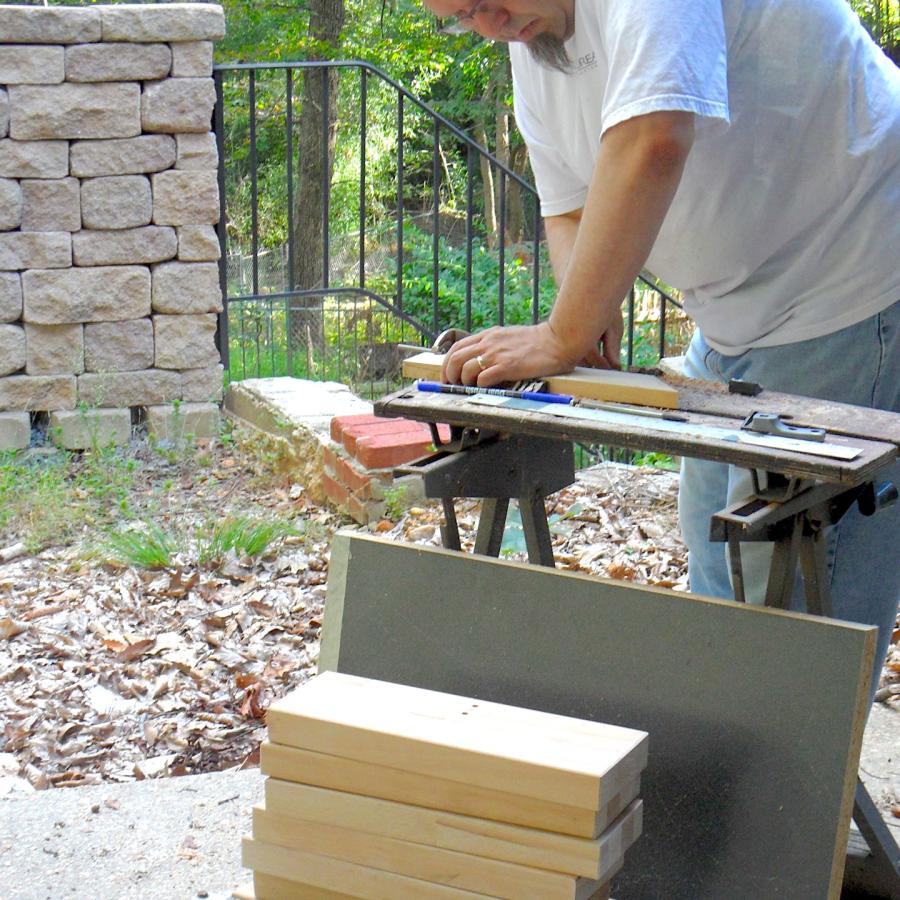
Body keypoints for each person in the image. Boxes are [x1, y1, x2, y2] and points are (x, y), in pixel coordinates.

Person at [423, 0, 900, 685]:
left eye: (487, 0)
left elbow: (655, 141)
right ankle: (738, 764)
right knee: (721, 570)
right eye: (464, 17)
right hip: (737, 313)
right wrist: (586, 311)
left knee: (795, 633)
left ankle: (790, 786)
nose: (490, 24)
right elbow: (568, 206)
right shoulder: (533, 40)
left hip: (853, 277)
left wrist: (562, 334)